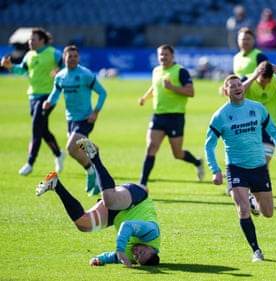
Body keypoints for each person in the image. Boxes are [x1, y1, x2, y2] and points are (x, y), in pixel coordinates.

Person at [204, 74, 276, 262]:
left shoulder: (257, 108)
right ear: (226, 91)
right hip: (236, 168)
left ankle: (254, 202)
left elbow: (274, 132)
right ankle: (256, 251)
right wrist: (215, 169)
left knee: (268, 213)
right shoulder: (221, 115)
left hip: (259, 167)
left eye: (239, 85)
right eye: (233, 86)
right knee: (242, 210)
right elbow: (208, 145)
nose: (237, 88)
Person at [35, 137, 160, 268]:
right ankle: (94, 156)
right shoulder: (151, 234)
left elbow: (114, 257)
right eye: (142, 252)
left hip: (118, 214)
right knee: (110, 200)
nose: (136, 253)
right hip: (137, 200)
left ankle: (55, 184)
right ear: (152, 248)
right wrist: (120, 250)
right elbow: (127, 226)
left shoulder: (134, 257)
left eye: (137, 257)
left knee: (84, 224)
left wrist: (99, 259)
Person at [42, 45, 108, 196]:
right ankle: (96, 175)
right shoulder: (60, 76)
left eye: (75, 56)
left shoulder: (85, 74)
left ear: (78, 58)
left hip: (86, 118)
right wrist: (49, 102)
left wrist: (95, 112)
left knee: (71, 147)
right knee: (79, 149)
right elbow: (55, 93)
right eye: (69, 56)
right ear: (64, 58)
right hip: (70, 119)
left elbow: (103, 93)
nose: (72, 59)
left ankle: (91, 172)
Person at [0, 27, 65, 176]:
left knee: (36, 126)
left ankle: (30, 162)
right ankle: (58, 154)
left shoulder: (53, 53)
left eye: (33, 39)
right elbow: (22, 70)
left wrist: (59, 72)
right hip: (33, 96)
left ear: (42, 41)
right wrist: (10, 67)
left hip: (48, 96)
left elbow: (66, 67)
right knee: (43, 130)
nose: (30, 42)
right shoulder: (29, 55)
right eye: (29, 39)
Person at [138, 44, 204, 186]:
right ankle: (142, 183)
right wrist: (144, 98)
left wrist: (172, 87)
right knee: (151, 147)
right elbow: (155, 86)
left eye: (166, 54)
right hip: (158, 115)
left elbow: (190, 92)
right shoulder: (156, 70)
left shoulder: (180, 71)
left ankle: (197, 162)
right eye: (160, 54)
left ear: (173, 56)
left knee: (177, 153)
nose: (163, 57)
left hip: (175, 117)